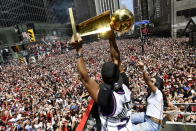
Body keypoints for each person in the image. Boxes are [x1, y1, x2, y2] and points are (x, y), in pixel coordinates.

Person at [71, 31, 132, 131]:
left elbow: (84, 78)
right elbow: (116, 59)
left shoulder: (106, 98)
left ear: (102, 79)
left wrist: (79, 49)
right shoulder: (125, 83)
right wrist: (111, 38)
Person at [131, 61, 164, 131]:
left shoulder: (158, 93)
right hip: (146, 116)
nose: (150, 83)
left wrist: (143, 69)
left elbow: (147, 81)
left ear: (157, 84)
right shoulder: (152, 94)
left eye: (152, 82)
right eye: (151, 81)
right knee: (126, 118)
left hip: (153, 124)